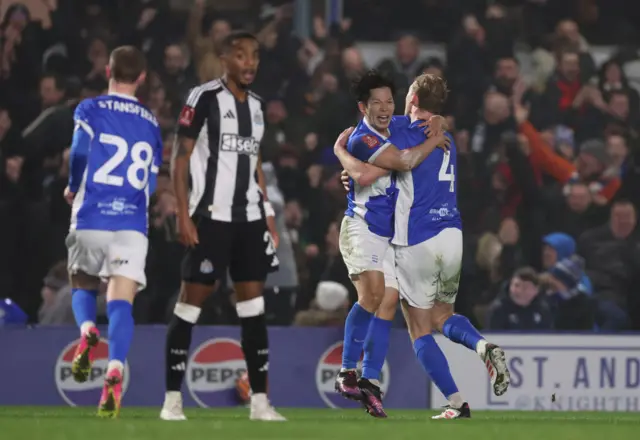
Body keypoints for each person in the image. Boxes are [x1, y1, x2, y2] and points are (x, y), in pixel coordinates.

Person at [336, 74, 511, 419]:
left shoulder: (407, 132)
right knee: (440, 313)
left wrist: (342, 153)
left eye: (397, 100)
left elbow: (388, 151)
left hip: (418, 237)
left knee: (416, 325)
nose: (389, 108)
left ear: (412, 97)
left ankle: (381, 379)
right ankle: (480, 346)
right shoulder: (443, 135)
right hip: (453, 235)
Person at [161, 31, 283, 422]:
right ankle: (171, 400)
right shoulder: (204, 98)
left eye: (255, 56)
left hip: (248, 220)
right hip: (211, 218)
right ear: (224, 59)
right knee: (188, 307)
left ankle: (261, 403)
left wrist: (268, 216)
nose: (249, 63)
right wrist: (183, 214)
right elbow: (179, 161)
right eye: (240, 55)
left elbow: (257, 166)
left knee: (254, 309)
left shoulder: (259, 107)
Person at [332, 70, 449, 418]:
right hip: (362, 227)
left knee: (387, 301)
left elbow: (421, 119)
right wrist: (432, 141)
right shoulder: (363, 139)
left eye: (389, 102)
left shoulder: (394, 129)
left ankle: (368, 381)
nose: (384, 109)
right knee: (372, 294)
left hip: (388, 236)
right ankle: (346, 371)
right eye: (376, 103)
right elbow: (398, 163)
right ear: (362, 107)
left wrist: (437, 119)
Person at [65, 46, 162, 418]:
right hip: (131, 223)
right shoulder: (151, 122)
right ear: (141, 78)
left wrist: (74, 186)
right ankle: (116, 365)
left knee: (82, 281)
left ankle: (88, 328)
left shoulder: (89, 109)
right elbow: (152, 179)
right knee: (122, 298)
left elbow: (78, 153)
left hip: (92, 215)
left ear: (107, 69)